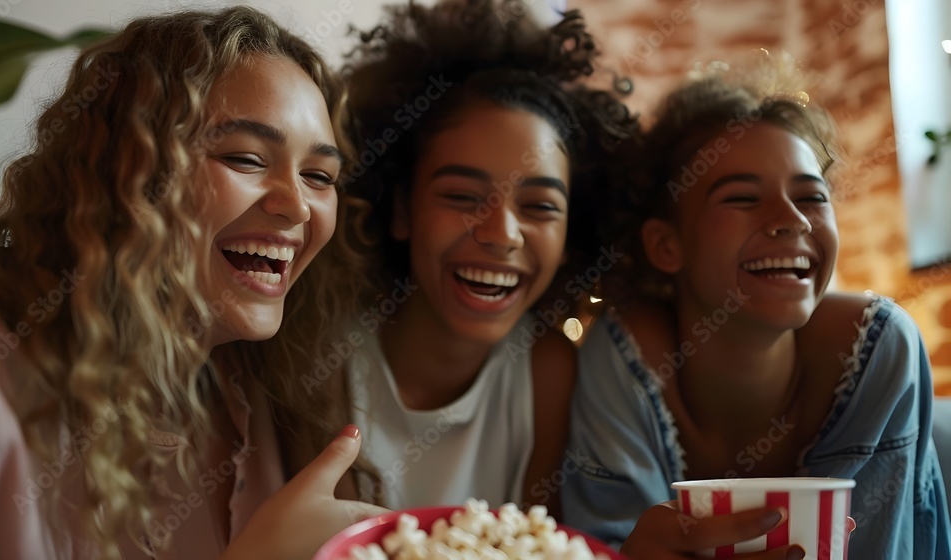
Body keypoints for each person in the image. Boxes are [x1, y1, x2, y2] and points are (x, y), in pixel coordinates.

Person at [0, 7, 384, 560]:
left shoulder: (267, 388)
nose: (296, 205)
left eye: (318, 176)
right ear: (127, 172)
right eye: (246, 159)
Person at [560, 57, 951, 559]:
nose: (792, 220)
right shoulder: (619, 358)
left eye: (812, 197)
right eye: (743, 198)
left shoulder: (876, 347)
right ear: (665, 245)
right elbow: (603, 546)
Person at [335, 0, 639, 518]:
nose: (502, 234)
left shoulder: (547, 372)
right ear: (402, 209)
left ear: (573, 234)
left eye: (540, 206)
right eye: (461, 197)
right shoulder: (324, 358)